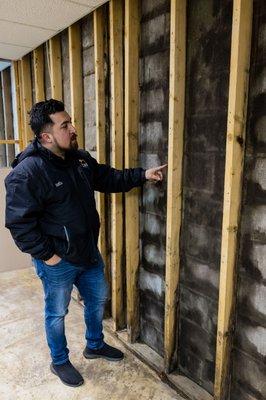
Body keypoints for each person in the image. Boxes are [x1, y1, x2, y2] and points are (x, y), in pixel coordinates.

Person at [5, 99, 167, 387]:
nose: (73, 128)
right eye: (65, 125)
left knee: (97, 301)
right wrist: (48, 256)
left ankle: (94, 345)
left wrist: (142, 175)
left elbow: (107, 177)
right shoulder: (28, 173)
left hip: (88, 252)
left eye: (71, 122)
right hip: (58, 261)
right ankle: (60, 361)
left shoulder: (78, 160)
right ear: (46, 136)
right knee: (56, 313)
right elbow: (20, 225)